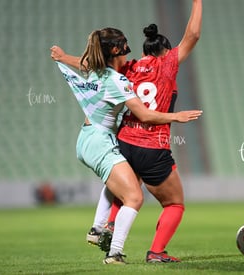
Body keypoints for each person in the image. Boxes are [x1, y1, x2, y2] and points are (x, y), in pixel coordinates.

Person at [50, 0, 202, 263]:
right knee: (173, 203)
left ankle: (104, 226)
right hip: (152, 146)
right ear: (165, 52)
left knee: (128, 183)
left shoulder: (127, 68)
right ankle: (154, 252)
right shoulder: (167, 64)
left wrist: (65, 58)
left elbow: (90, 64)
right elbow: (193, 35)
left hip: (123, 140)